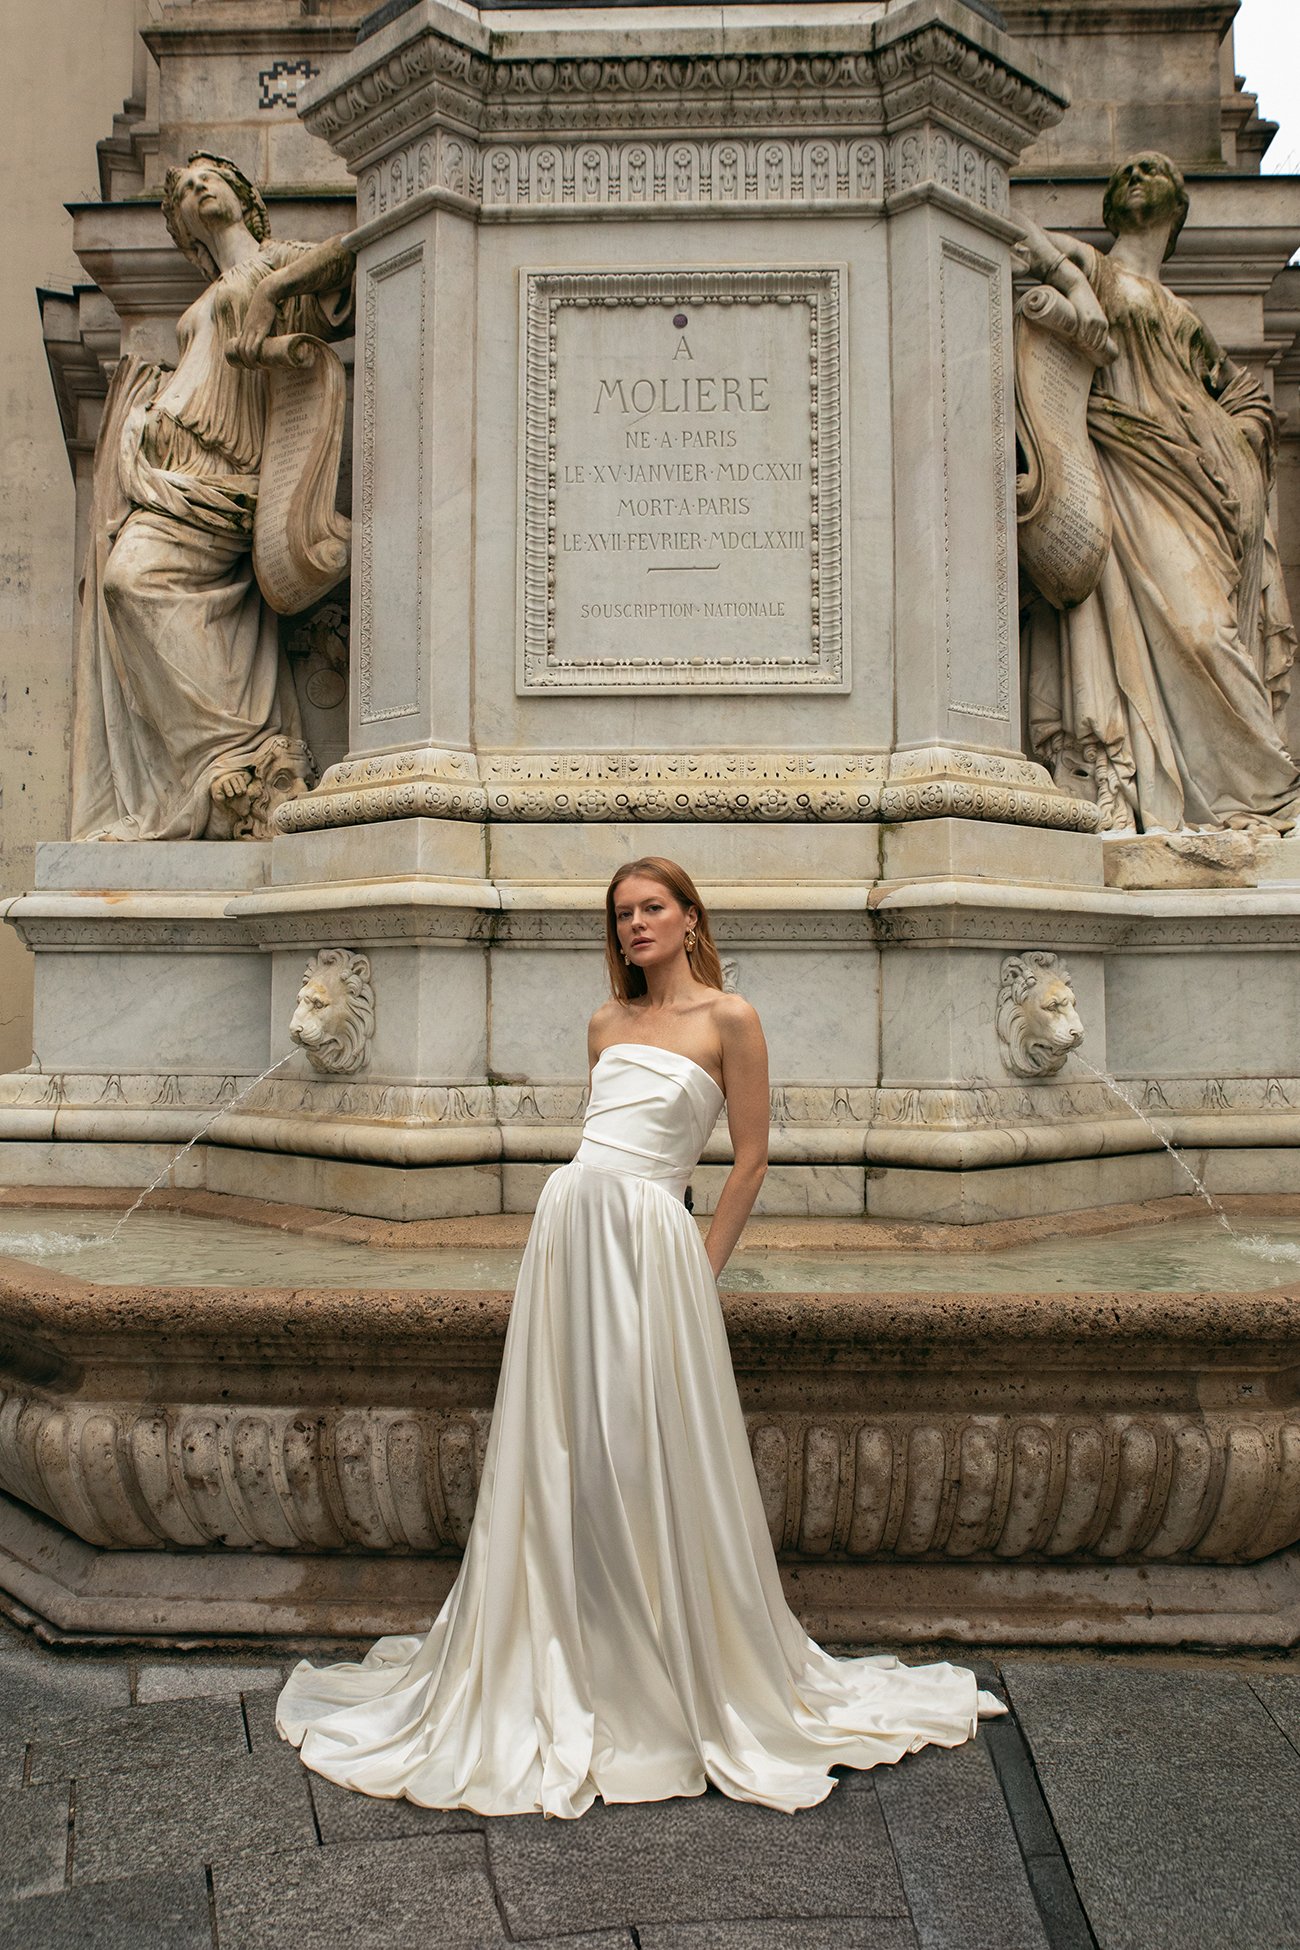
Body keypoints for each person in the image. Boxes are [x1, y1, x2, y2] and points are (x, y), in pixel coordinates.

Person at [276, 857, 1004, 1817]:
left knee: (638, 1441)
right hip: (572, 1228)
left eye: (651, 909)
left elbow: (749, 1159)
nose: (634, 926)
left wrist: (701, 1264)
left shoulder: (729, 1020)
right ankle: (570, 1646)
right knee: (565, 1442)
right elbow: (601, 1138)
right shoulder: (605, 1023)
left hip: (654, 1243)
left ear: (691, 916)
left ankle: (666, 1653)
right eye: (622, 914)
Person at [71, 153, 354, 841]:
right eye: (187, 190)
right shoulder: (205, 296)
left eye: (211, 178)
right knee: (119, 586)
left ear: (245, 198)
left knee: (130, 582)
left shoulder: (277, 261)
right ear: (186, 232)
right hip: (169, 467)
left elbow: (358, 247)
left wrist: (274, 287)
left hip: (227, 474)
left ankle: (233, 750)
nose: (199, 188)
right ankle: (221, 760)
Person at [1017, 151, 1300, 835]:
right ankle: (1247, 799)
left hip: (1194, 483)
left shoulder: (1181, 312)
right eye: (1129, 170)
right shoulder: (1097, 269)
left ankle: (1256, 801)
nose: (1139, 175)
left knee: (1213, 633)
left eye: (1154, 169)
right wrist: (1060, 274)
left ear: (1178, 207)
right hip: (1125, 466)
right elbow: (1020, 236)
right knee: (1200, 635)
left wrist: (1233, 436)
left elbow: (1242, 393)